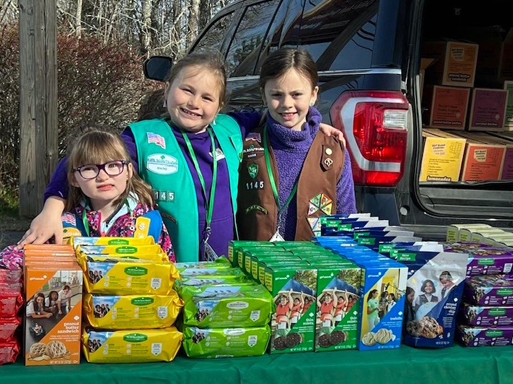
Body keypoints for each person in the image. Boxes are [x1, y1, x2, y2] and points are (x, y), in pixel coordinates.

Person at [20, 51, 344, 261]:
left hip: (225, 273)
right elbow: (85, 158)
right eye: (186, 90)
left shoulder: (233, 129)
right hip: (167, 272)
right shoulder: (144, 138)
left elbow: (282, 113)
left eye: (207, 97)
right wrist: (52, 206)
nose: (194, 103)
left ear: (219, 107)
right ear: (167, 89)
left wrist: (318, 126)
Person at [0, 129, 176, 268]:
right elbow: (21, 255)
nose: (103, 176)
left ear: (128, 171)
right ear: (73, 179)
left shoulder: (150, 223)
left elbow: (168, 270)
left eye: (113, 165)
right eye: (89, 169)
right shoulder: (65, 225)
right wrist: (0, 271)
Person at [236, 48, 356, 241]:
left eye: (297, 94)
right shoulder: (245, 142)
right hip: (255, 265)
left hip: (314, 267)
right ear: (263, 94)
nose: (287, 103)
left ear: (314, 94)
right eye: (276, 95)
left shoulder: (333, 151)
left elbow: (346, 217)